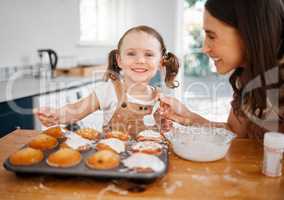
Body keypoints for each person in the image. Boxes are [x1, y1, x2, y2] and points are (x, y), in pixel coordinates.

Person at [160, 0, 284, 139]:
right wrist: (188, 116)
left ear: (249, 33)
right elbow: (234, 133)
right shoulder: (248, 76)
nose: (204, 48)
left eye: (212, 36)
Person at [34, 25, 179, 136]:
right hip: (110, 163)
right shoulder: (108, 90)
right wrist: (56, 114)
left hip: (148, 165)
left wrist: (163, 125)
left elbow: (162, 133)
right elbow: (75, 111)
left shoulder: (160, 100)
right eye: (131, 53)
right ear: (119, 60)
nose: (140, 60)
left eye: (149, 54)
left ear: (161, 62)